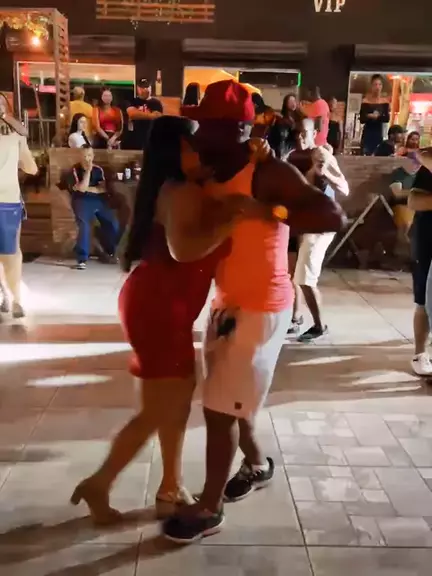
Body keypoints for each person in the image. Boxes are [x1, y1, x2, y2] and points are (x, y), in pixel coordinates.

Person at [162, 80, 345, 543]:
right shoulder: (212, 170)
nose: (200, 134)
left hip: (262, 306)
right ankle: (259, 464)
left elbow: (331, 215)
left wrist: (274, 212)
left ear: (238, 130)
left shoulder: (268, 174)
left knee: (220, 409)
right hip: (227, 301)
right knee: (232, 398)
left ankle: (210, 507)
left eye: (209, 125)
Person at [70, 115, 275, 524]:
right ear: (175, 151)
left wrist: (255, 160)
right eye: (193, 145)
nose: (201, 152)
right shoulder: (180, 191)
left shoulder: (179, 187)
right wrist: (236, 217)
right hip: (161, 308)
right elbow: (185, 250)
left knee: (172, 403)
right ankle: (100, 483)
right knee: (160, 409)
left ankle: (170, 486)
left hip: (157, 303)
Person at [289, 118, 349, 341]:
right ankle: (296, 318)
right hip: (300, 223)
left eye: (304, 132)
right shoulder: (291, 156)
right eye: (297, 132)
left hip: (320, 225)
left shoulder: (322, 154)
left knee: (305, 277)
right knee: (293, 275)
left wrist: (324, 173)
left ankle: (319, 325)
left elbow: (345, 189)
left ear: (314, 133)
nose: (300, 136)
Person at [0, 92, 38, 320]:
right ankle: (15, 300)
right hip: (8, 200)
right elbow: (31, 168)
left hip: (8, 200)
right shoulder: (15, 134)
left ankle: (4, 295)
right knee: (11, 253)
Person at [67, 148, 119, 270]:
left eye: (89, 155)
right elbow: (82, 189)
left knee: (113, 223)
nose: (87, 159)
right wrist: (88, 172)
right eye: (84, 156)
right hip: (81, 200)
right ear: (80, 157)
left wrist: (89, 189)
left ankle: (109, 252)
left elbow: (103, 189)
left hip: (99, 200)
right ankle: (82, 259)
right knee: (84, 225)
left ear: (93, 156)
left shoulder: (99, 169)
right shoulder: (74, 170)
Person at [407, 148, 432, 376]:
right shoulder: (428, 165)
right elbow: (414, 200)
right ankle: (420, 353)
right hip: (427, 237)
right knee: (423, 297)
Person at [390, 151, 420, 246]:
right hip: (402, 205)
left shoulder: (422, 174)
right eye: (415, 163)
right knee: (405, 227)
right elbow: (397, 193)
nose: (417, 166)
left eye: (419, 163)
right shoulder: (399, 173)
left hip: (420, 205)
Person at [125, 79, 163, 150]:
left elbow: (157, 116)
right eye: (142, 87)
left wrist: (139, 114)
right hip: (134, 139)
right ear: (137, 88)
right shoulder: (131, 101)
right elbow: (132, 114)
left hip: (151, 139)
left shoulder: (156, 103)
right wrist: (150, 115)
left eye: (147, 87)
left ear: (150, 88)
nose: (145, 89)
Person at [360, 75, 390, 156]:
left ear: (382, 86)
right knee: (366, 154)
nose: (377, 87)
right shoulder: (365, 101)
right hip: (368, 132)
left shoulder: (385, 102)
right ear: (371, 86)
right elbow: (362, 119)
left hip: (379, 132)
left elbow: (387, 118)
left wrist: (377, 117)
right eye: (375, 84)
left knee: (377, 154)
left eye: (379, 84)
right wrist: (369, 116)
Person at [268, 93, 303, 160]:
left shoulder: (299, 116)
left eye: (294, 101)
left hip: (293, 140)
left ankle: (280, 154)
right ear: (286, 104)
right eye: (290, 101)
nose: (292, 103)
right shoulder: (282, 117)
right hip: (284, 140)